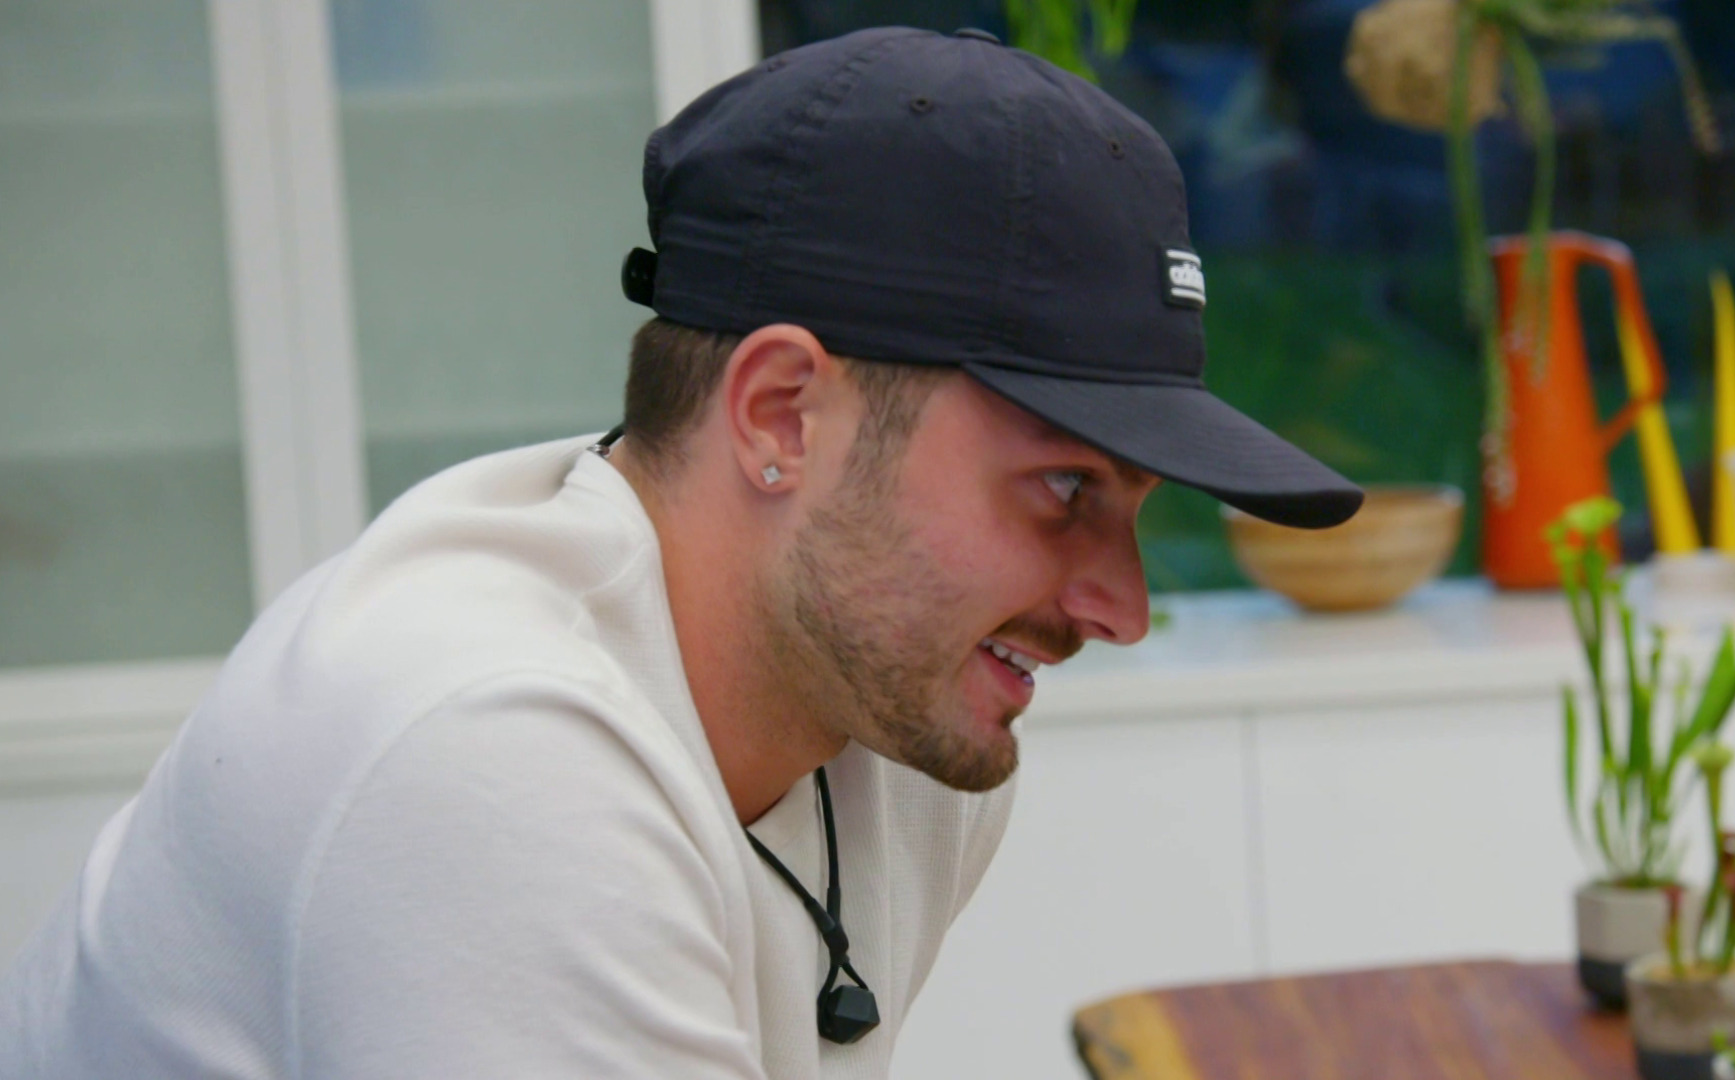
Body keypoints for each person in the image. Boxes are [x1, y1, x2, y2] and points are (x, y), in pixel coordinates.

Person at [0, 26, 1359, 1079]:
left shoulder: (897, 731)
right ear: (780, 415)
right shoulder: (488, 752)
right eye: (1063, 490)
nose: (1120, 607)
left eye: (1134, 506)